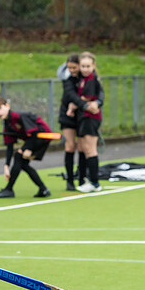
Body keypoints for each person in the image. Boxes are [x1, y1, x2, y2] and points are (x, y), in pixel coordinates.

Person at [0, 95, 52, 199]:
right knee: (22, 163)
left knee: (18, 157)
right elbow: (10, 146)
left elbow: (35, 132)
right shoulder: (7, 124)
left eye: (0, 108)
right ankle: (43, 189)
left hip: (42, 137)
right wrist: (6, 166)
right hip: (33, 139)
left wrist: (28, 148)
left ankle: (9, 190)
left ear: (7, 106)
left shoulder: (18, 116)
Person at [74, 52, 104, 193]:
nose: (85, 69)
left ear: (93, 66)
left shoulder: (92, 80)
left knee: (91, 149)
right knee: (85, 149)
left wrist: (78, 102)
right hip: (84, 117)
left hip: (90, 118)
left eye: (88, 66)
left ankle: (94, 182)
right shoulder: (83, 79)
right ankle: (88, 179)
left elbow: (89, 99)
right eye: (83, 66)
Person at [58, 53, 85, 192]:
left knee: (82, 147)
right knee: (70, 146)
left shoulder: (86, 77)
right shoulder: (66, 78)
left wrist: (79, 105)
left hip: (81, 114)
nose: (72, 70)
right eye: (69, 67)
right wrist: (80, 103)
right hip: (67, 115)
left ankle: (81, 178)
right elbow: (69, 94)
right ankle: (69, 180)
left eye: (74, 67)